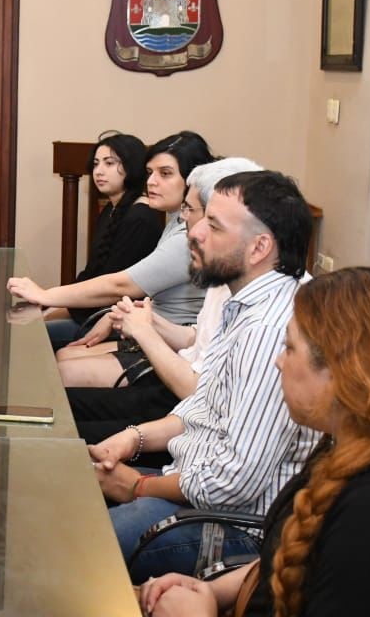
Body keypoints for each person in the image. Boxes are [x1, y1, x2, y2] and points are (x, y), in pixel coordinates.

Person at [139, 268, 370, 617]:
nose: (277, 361)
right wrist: (212, 590)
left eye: (289, 347)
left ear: (345, 373)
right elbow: (283, 557)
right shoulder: (342, 444)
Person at [90, 170, 322, 582]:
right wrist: (132, 438)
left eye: (213, 226)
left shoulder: (268, 329)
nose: (194, 233)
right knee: (68, 483)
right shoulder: (244, 305)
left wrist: (137, 486)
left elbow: (231, 483)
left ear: (259, 247)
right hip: (189, 487)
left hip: (230, 525)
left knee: (75, 542)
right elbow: (203, 406)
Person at [62, 158, 263, 444]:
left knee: (65, 427)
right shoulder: (224, 277)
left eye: (210, 222)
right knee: (58, 405)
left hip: (187, 413)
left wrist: (145, 330)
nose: (192, 229)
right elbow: (197, 339)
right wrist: (149, 320)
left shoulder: (265, 314)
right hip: (176, 394)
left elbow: (201, 397)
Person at [8, 131, 214, 348]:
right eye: (150, 172)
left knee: (46, 346)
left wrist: (45, 296)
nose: (152, 181)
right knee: (36, 334)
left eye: (165, 173)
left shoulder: (178, 231)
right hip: (136, 319)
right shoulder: (174, 220)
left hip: (168, 334)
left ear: (193, 179)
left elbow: (120, 286)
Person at [43, 132, 165, 349]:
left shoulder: (140, 218)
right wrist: (56, 305)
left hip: (116, 319)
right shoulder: (111, 209)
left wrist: (56, 303)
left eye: (109, 163)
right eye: (96, 164)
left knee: (35, 334)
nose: (98, 171)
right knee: (34, 322)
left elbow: (116, 288)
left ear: (132, 166)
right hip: (95, 309)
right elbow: (93, 273)